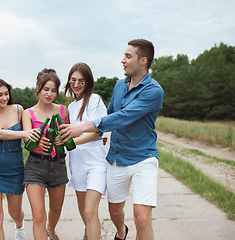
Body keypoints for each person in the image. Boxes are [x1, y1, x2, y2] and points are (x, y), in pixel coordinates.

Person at [59, 39, 164, 240]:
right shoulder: (119, 85)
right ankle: (121, 231)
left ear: (143, 60)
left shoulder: (153, 91)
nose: (122, 60)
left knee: (142, 219)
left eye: (127, 56)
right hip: (116, 158)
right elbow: (109, 118)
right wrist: (98, 135)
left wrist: (81, 128)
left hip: (144, 158)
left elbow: (122, 117)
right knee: (115, 212)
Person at [0, 78, 40, 240]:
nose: (4, 98)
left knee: (15, 213)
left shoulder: (18, 110)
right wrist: (24, 133)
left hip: (15, 169)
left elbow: (29, 138)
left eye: (6, 94)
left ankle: (19, 225)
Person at [22, 68, 69, 240]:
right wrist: (36, 143)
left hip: (58, 165)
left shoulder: (63, 111)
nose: (49, 94)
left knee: (56, 210)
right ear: (38, 89)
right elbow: (27, 141)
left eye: (53, 90)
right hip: (35, 166)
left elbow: (70, 134)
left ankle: (50, 229)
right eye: (46, 89)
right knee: (38, 215)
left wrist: (62, 141)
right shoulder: (28, 113)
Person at [62, 62, 107, 240]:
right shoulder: (70, 107)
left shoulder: (95, 100)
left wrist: (71, 140)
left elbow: (98, 132)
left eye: (81, 81)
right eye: (73, 80)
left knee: (90, 210)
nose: (77, 84)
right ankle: (90, 233)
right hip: (77, 163)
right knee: (82, 209)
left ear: (88, 82)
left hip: (96, 163)